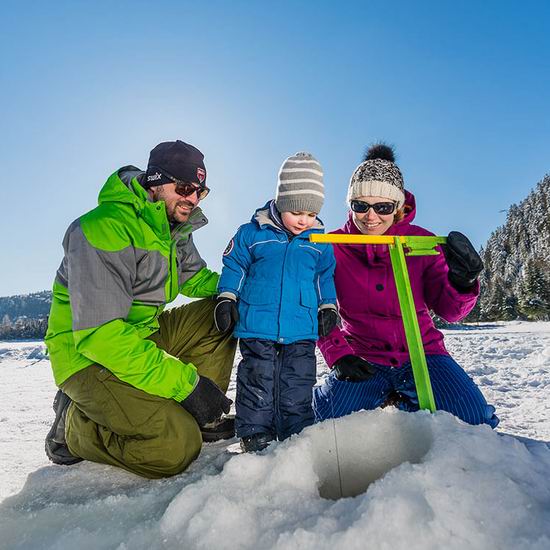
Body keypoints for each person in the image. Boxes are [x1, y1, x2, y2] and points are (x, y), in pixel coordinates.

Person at [44, 140, 237, 478]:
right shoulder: (103, 228)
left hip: (141, 336)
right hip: (87, 356)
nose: (192, 199)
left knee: (219, 312)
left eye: (200, 192)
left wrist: (245, 288)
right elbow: (100, 337)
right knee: (175, 446)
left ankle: (201, 417)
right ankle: (74, 426)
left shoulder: (173, 227)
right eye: (185, 188)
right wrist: (187, 385)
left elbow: (197, 279)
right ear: (155, 182)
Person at [313, 143, 499, 428]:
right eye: (360, 205)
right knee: (323, 423)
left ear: (398, 207)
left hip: (423, 353)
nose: (371, 216)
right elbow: (317, 305)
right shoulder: (333, 247)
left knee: (474, 422)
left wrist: (463, 282)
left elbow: (451, 312)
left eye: (383, 207)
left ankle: (403, 401)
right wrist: (338, 355)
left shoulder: (420, 243)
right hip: (363, 354)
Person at [214, 152, 338, 452]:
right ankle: (256, 431)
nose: (304, 220)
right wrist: (227, 297)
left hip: (301, 327)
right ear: (281, 202)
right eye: (297, 211)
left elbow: (325, 277)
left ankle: (295, 429)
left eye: (311, 214)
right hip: (258, 323)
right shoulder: (252, 234)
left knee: (298, 379)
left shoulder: (319, 244)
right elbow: (234, 266)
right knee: (258, 377)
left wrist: (328, 306)